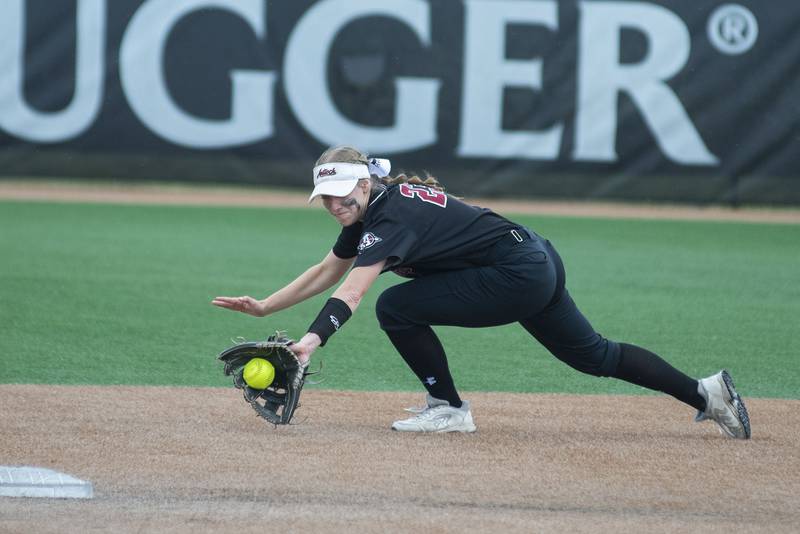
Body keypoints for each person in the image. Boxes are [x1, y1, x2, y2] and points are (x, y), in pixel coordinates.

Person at [212, 146, 751, 438]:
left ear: (361, 183)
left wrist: (311, 342)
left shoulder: (390, 212)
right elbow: (329, 268)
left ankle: (447, 408)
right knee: (594, 356)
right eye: (323, 198)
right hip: (533, 259)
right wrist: (266, 305)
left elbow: (351, 292)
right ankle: (708, 393)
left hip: (517, 273)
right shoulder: (378, 204)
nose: (332, 205)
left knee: (395, 306)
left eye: (338, 194)